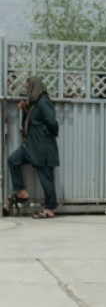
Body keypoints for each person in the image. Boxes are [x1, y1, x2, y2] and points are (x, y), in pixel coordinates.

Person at [5, 76, 60, 219]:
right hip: (31, 146)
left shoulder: (43, 102)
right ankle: (21, 192)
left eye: (28, 87)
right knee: (13, 159)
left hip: (42, 146)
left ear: (35, 87)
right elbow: (32, 121)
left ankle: (49, 208)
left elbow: (52, 122)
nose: (26, 90)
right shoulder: (35, 104)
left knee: (45, 176)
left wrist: (47, 136)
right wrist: (25, 109)